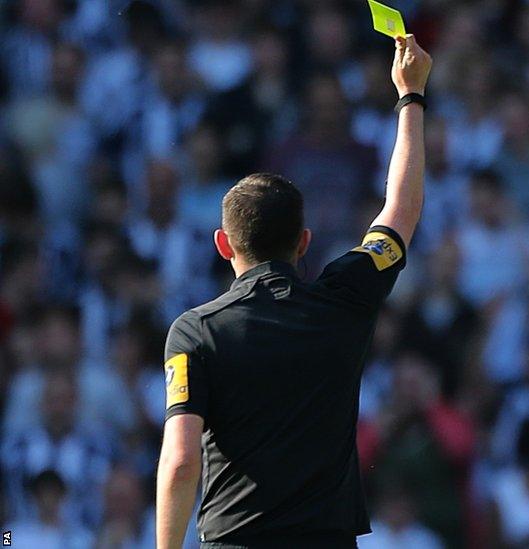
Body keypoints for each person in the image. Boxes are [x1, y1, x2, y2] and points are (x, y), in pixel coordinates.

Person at [154, 35, 431, 549]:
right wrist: (410, 96)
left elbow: (181, 460)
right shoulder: (344, 299)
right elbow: (401, 211)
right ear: (304, 242)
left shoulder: (196, 332)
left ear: (222, 245)